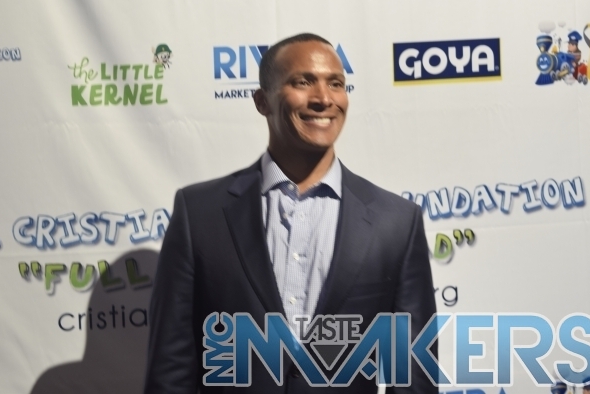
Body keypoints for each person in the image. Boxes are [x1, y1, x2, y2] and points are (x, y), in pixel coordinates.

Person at [144, 33, 437, 393]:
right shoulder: (199, 214)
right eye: (302, 82)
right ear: (262, 101)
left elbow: (414, 374)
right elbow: (170, 368)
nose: (324, 98)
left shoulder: (396, 222)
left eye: (336, 84)